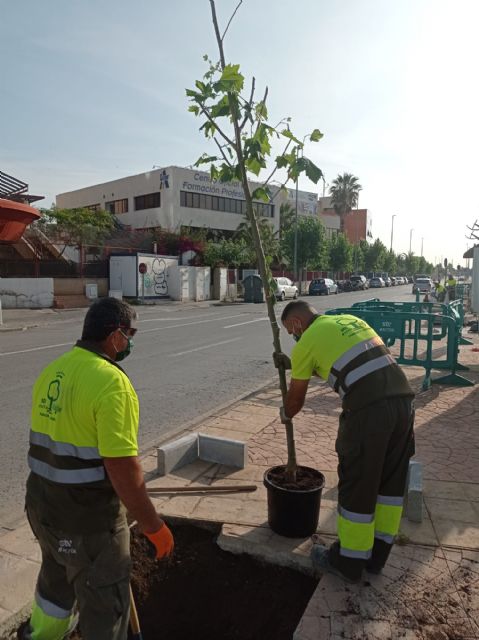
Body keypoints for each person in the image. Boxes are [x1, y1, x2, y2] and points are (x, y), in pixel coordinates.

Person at [24, 297, 174, 639]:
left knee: (55, 587)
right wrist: (153, 526)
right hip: (87, 523)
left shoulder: (54, 370)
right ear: (116, 336)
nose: (131, 342)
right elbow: (124, 471)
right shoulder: (112, 384)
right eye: (130, 334)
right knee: (105, 607)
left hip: (42, 509)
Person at [274, 300, 415, 584]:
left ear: (297, 323)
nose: (293, 337)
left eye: (291, 331)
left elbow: (295, 401)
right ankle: (376, 558)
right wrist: (293, 364)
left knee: (358, 484)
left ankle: (348, 561)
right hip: (403, 404)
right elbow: (339, 361)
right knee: (389, 485)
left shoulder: (305, 343)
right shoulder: (349, 322)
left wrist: (284, 413)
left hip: (368, 412)